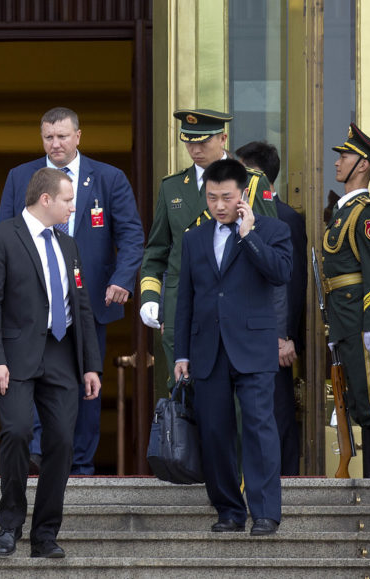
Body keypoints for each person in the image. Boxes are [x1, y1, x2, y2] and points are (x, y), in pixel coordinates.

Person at [0, 107, 144, 475]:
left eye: (62, 136)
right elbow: (4, 236)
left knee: (86, 379)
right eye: (48, 137)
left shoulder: (108, 178)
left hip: (89, 298)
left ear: (78, 135)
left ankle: (79, 462)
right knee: (27, 372)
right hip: (31, 301)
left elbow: (131, 235)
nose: (55, 144)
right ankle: (36, 451)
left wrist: (123, 279)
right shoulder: (20, 177)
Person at [0, 168, 102, 558]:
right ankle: (9, 524)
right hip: (13, 356)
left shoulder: (68, 245)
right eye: (67, 200)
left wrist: (90, 364)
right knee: (15, 432)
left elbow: (80, 306)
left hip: (62, 354)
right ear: (45, 199)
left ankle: (45, 533)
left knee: (62, 441)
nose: (72, 207)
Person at [173, 159, 291, 536]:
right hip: (208, 348)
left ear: (242, 195)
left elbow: (280, 273)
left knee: (259, 429)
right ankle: (228, 510)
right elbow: (185, 300)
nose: (219, 205)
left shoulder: (272, 230)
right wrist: (181, 353)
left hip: (254, 346)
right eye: (212, 197)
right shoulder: (194, 238)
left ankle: (266, 512)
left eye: (226, 197)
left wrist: (248, 234)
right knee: (215, 431)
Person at [139, 110, 279, 386]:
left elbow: (271, 247)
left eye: (202, 142)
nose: (195, 149)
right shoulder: (173, 187)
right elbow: (157, 252)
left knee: (238, 408)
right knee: (185, 398)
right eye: (189, 142)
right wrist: (151, 298)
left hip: (238, 308)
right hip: (184, 308)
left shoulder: (251, 181)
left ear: (223, 138)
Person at [323, 123, 370, 478]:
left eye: (345, 156)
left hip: (361, 322)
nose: (338, 162)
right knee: (359, 402)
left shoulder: (366, 213)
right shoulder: (343, 211)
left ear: (363, 165)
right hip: (346, 320)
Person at [236, 141, 308, 475]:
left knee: (277, 414)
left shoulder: (285, 217)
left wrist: (285, 335)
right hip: (242, 334)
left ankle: (286, 484)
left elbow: (290, 282)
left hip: (273, 337)